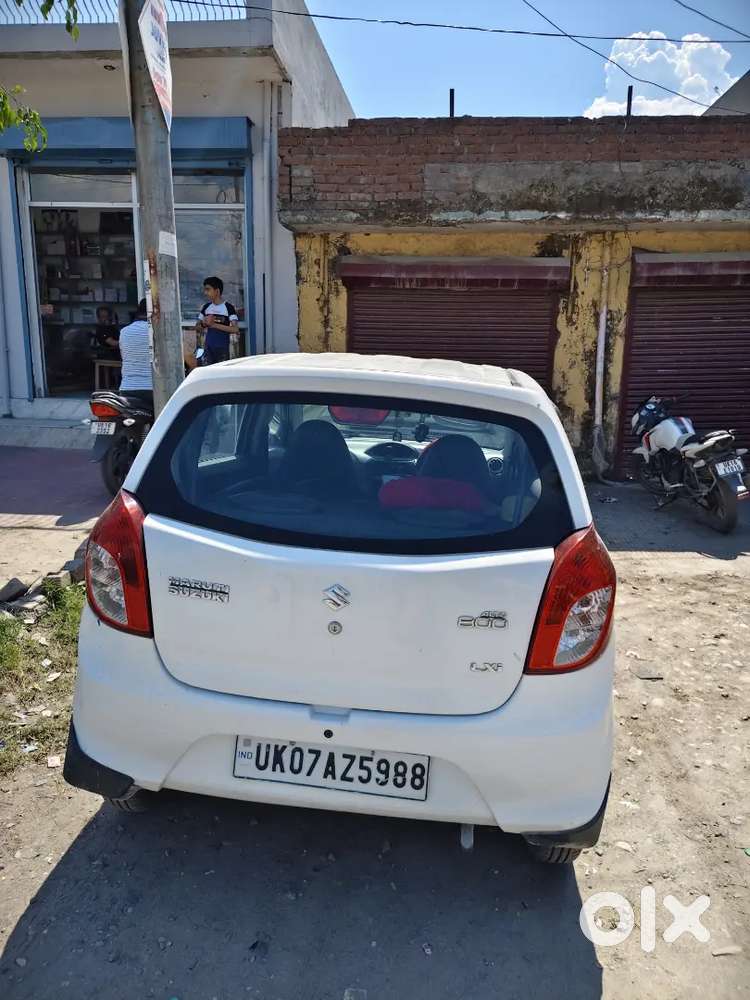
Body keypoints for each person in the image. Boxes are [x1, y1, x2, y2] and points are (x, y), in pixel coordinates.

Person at [196, 276, 239, 365]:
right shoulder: (206, 307)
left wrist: (213, 325)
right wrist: (204, 324)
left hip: (223, 349)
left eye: (208, 289)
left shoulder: (228, 307)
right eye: (205, 290)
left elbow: (235, 329)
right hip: (207, 348)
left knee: (221, 375)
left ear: (217, 291)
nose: (205, 293)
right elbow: (197, 327)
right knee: (207, 374)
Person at [118, 299, 153, 407]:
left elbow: (124, 355)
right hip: (152, 389)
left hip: (127, 388)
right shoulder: (156, 330)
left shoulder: (124, 332)